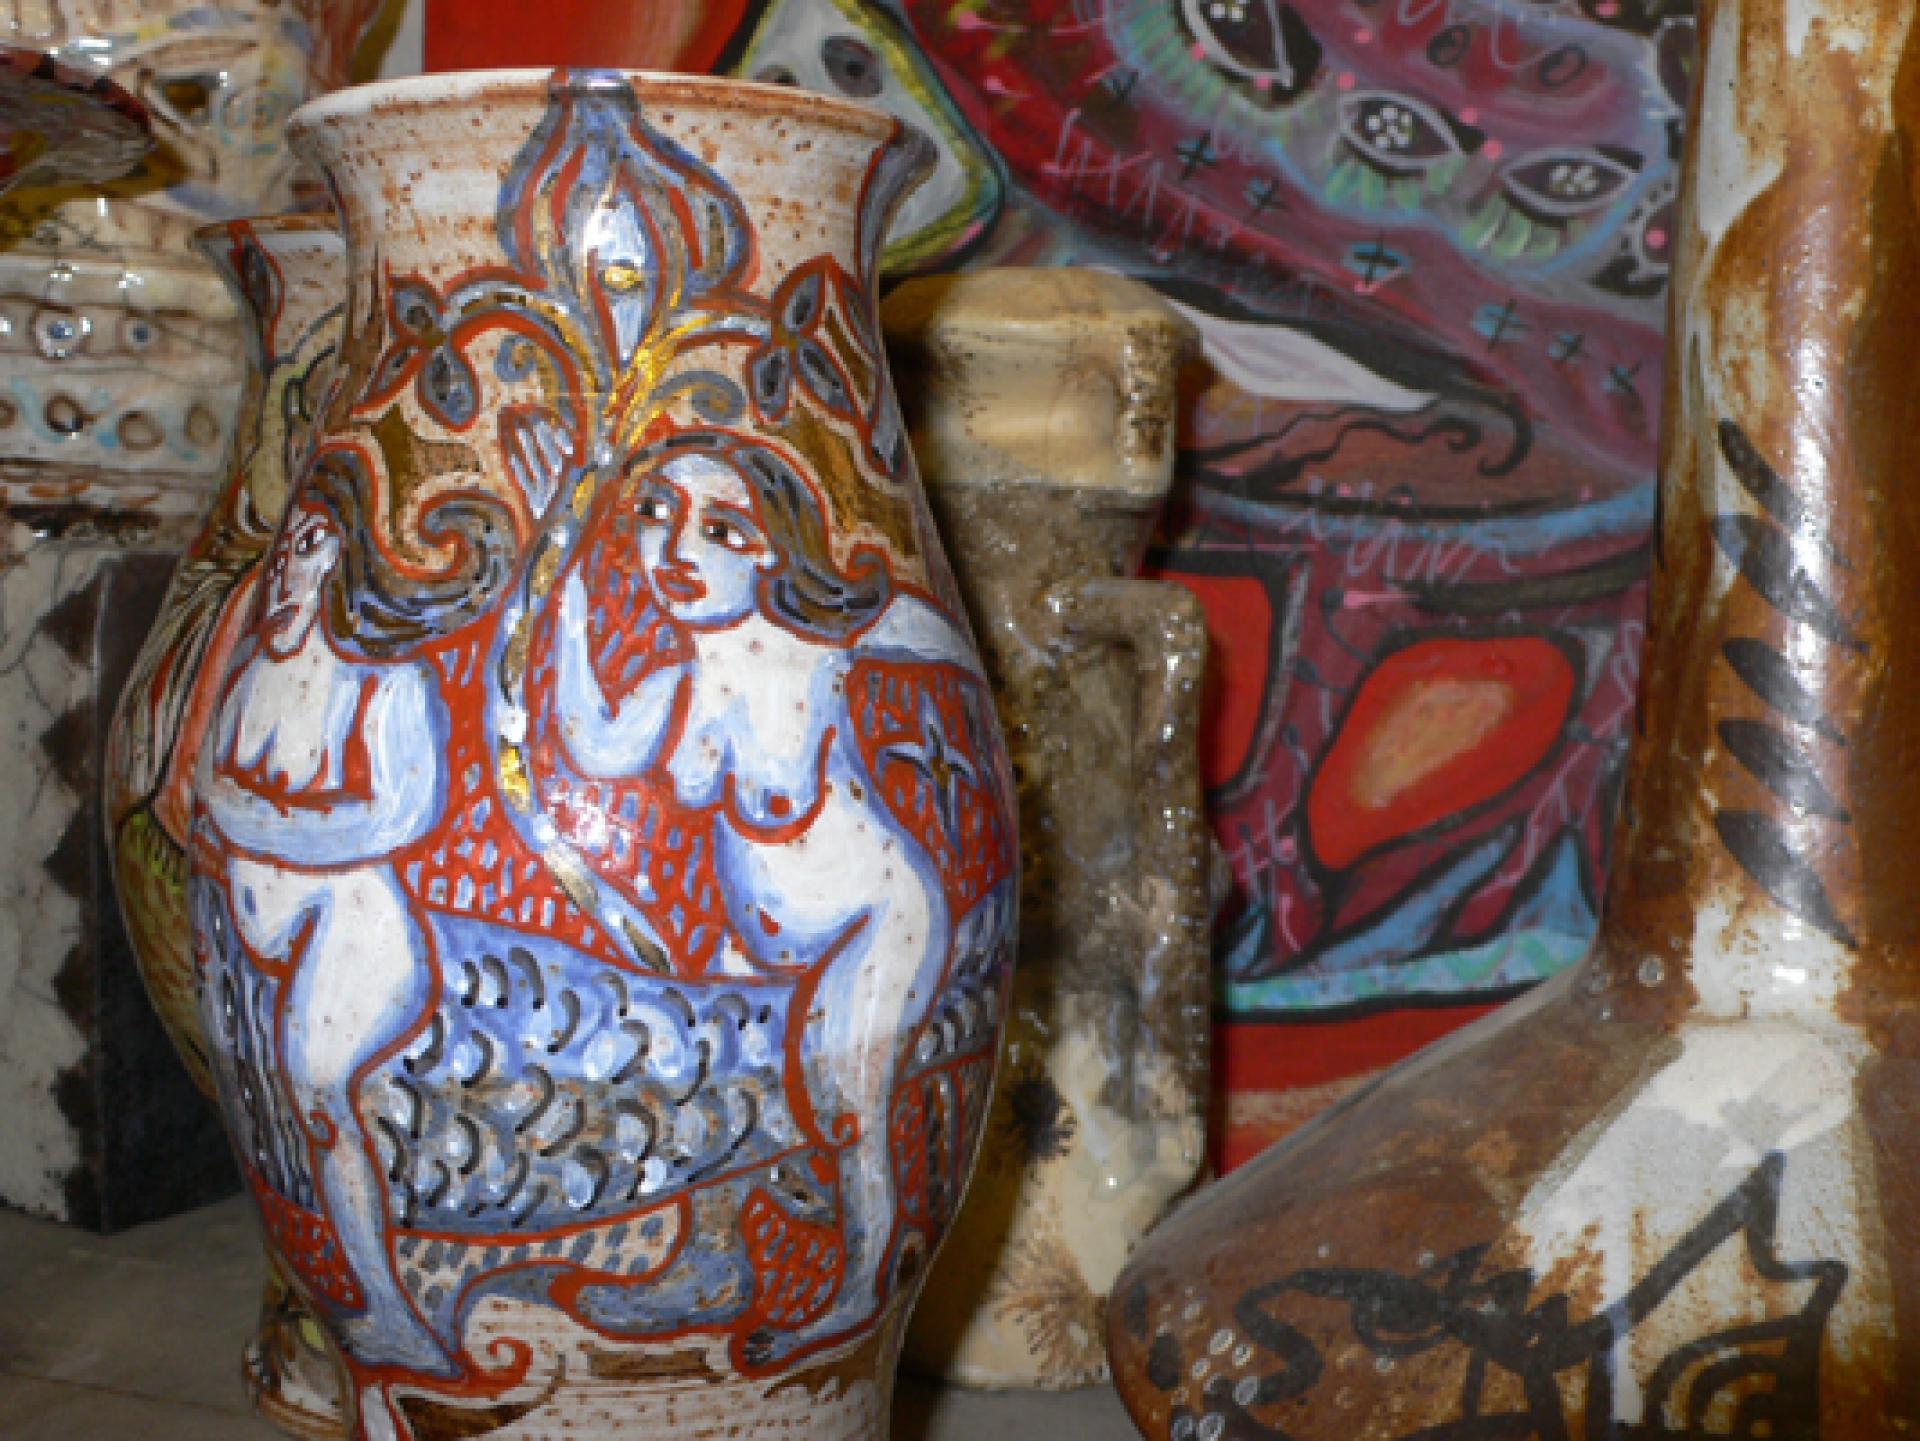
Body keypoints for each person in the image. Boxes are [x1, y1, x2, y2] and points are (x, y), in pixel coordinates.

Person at [549, 428, 979, 1345]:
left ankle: (856, 1287)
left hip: (871, 918)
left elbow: (920, 632)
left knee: (849, 1104)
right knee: (706, 1076)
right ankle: (714, 1259)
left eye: (722, 530)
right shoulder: (677, 684)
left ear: (775, 551)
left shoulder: (813, 652)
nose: (678, 550)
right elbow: (594, 744)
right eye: (658, 516)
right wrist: (567, 605)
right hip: (762, 939)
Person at [197, 486, 454, 1407]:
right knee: (306, 1121)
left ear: (349, 568)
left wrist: (265, 823)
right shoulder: (261, 676)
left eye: (313, 548)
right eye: (292, 544)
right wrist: (263, 821)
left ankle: (390, 1307)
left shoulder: (382, 680)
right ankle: (365, 1303)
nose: (289, 572)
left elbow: (397, 814)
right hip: (273, 941)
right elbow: (218, 797)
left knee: (328, 1115)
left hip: (354, 936)